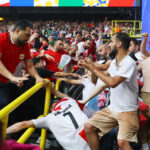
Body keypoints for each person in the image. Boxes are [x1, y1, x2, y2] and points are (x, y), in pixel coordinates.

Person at [79, 32, 139, 150]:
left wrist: (93, 69)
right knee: (88, 127)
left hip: (127, 111)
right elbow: (102, 78)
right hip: (112, 109)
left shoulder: (129, 62)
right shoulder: (114, 63)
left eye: (111, 42)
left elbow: (112, 83)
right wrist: (89, 67)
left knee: (122, 143)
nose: (109, 45)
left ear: (119, 44)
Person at [0, 20, 45, 109]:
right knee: (4, 103)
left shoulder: (24, 45)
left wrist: (37, 77)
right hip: (7, 79)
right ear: (17, 31)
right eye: (27, 35)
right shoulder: (1, 39)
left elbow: (30, 65)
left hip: (6, 81)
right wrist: (12, 77)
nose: (29, 39)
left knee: (17, 104)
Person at [138, 57, 150, 150]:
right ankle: (145, 145)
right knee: (145, 123)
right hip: (146, 95)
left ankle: (145, 145)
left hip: (145, 94)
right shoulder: (145, 61)